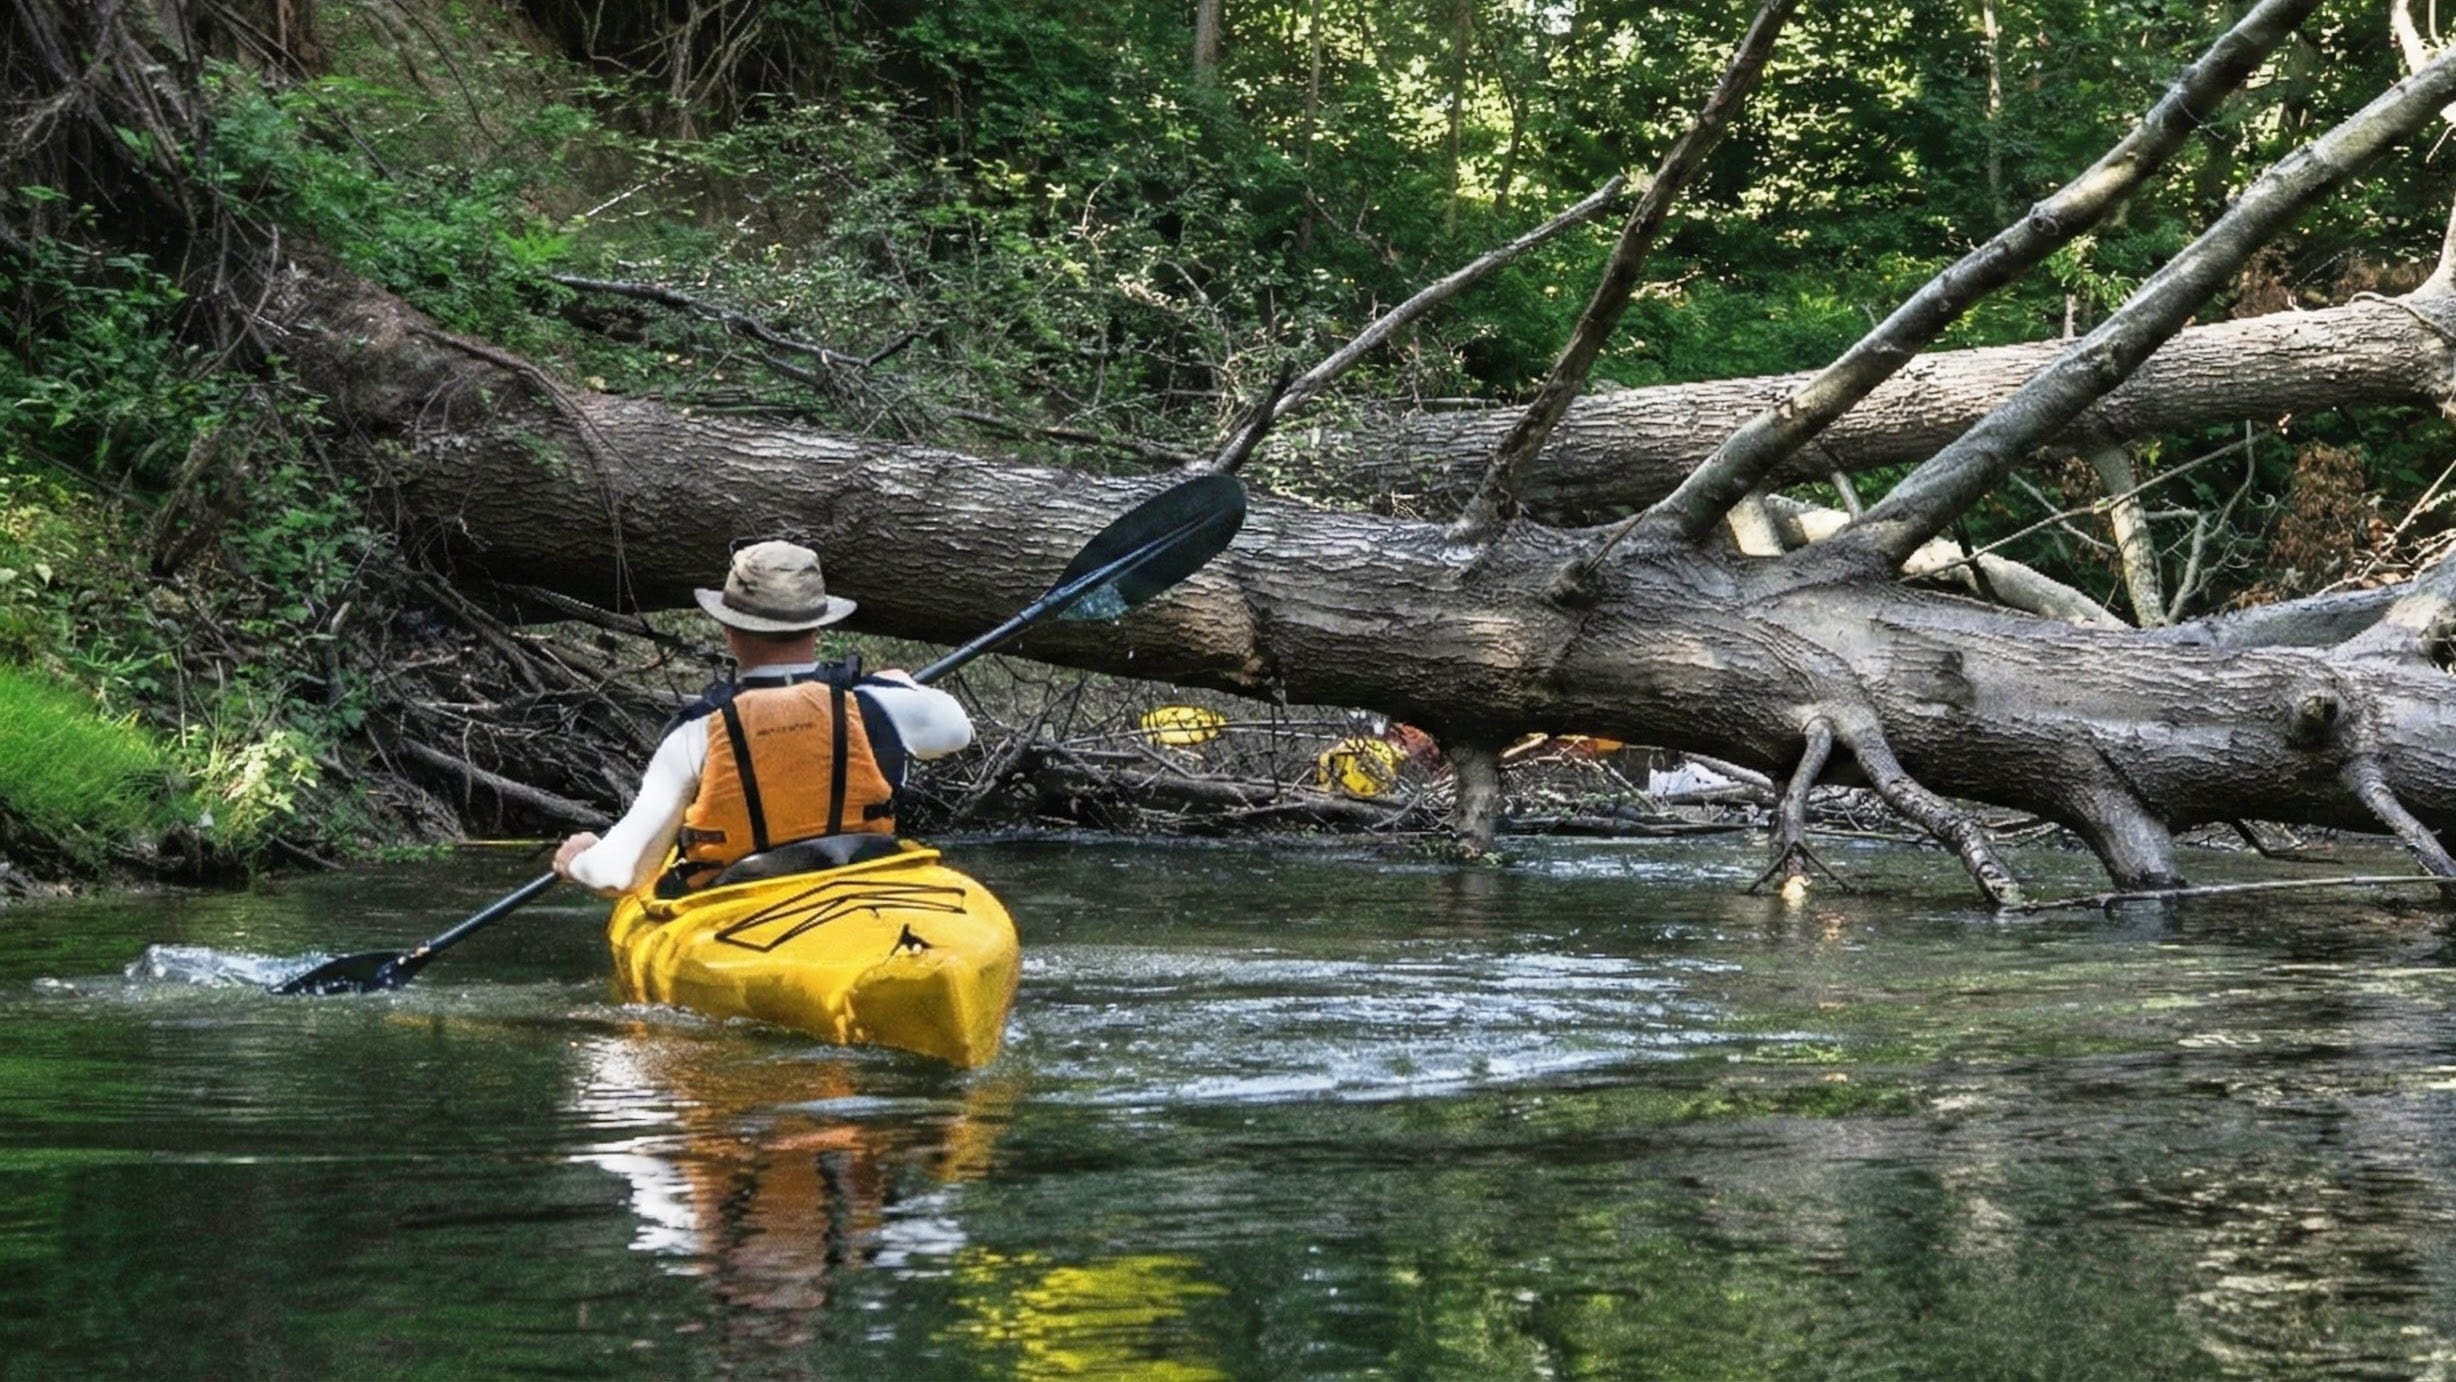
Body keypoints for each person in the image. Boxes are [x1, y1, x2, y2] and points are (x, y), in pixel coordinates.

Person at [553, 540, 972, 897]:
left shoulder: (696, 734)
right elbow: (958, 731)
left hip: (739, 904)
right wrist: (901, 687)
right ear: (818, 628)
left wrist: (582, 859)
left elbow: (621, 874)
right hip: (861, 888)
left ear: (729, 631)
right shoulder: (879, 706)